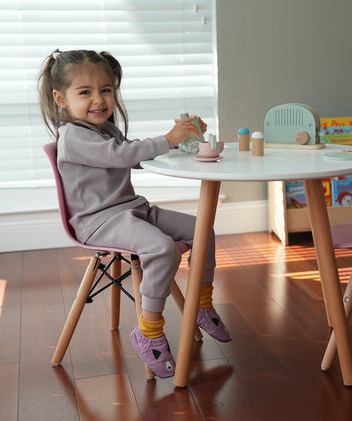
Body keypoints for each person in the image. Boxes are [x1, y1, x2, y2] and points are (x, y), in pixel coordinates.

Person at [38, 49, 231, 378]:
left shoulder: (105, 130)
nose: (99, 100)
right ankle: (150, 330)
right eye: (85, 92)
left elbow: (131, 153)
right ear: (61, 99)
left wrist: (178, 146)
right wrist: (167, 138)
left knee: (203, 231)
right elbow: (122, 155)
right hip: (98, 222)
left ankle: (202, 301)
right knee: (161, 248)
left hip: (131, 210)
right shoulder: (74, 136)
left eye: (106, 90)